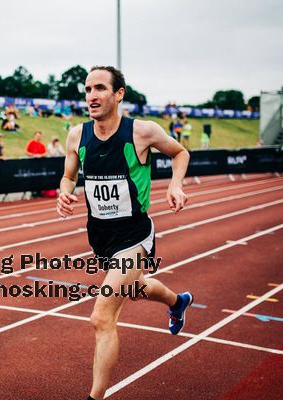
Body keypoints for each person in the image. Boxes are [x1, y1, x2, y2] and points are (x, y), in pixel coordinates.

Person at [56, 66, 192, 400]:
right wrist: (65, 191)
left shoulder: (142, 131)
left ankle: (96, 397)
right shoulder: (77, 135)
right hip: (100, 236)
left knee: (101, 317)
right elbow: (69, 175)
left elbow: (180, 152)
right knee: (136, 288)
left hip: (134, 234)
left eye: (100, 88)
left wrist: (175, 184)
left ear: (119, 94)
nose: (91, 96)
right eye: (87, 89)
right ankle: (178, 302)